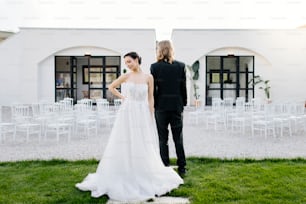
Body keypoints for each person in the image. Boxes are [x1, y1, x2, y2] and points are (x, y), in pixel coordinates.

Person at [75, 52, 183, 202]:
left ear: (137, 60)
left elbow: (151, 96)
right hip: (128, 111)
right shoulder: (126, 76)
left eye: (129, 62)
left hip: (142, 111)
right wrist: (123, 98)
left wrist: (151, 113)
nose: (128, 65)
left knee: (142, 141)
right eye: (126, 63)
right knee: (126, 140)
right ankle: (126, 170)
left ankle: (142, 170)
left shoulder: (148, 77)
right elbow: (111, 87)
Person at [150, 40, 187, 176]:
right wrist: (183, 104)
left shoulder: (154, 67)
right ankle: (182, 167)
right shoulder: (181, 66)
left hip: (161, 107)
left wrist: (153, 105)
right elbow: (183, 88)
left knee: (162, 139)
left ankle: (165, 166)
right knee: (178, 138)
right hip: (176, 106)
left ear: (159, 50)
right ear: (171, 49)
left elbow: (154, 90)